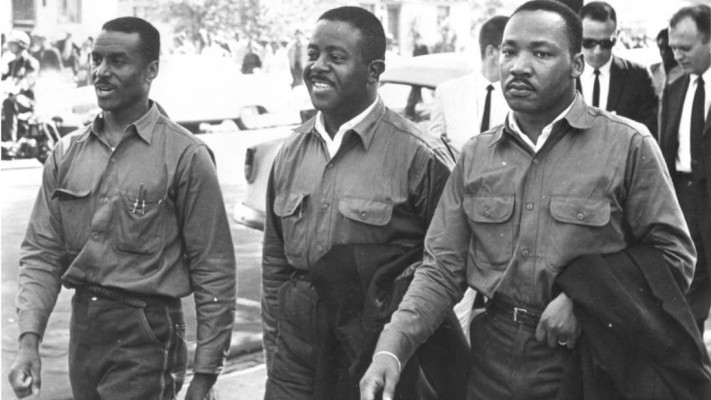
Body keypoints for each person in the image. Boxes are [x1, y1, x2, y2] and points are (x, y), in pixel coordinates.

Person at [360, 1, 696, 399]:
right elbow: (440, 270)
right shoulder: (476, 156)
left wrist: (586, 303)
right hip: (493, 365)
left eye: (540, 53)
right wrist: (392, 347)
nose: (518, 66)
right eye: (509, 51)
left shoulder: (627, 145)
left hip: (591, 364)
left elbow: (673, 258)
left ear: (576, 65)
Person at [7, 17, 236, 400]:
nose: (100, 72)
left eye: (117, 61)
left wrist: (206, 372)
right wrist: (29, 342)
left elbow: (213, 268)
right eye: (96, 59)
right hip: (85, 328)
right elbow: (41, 253)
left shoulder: (185, 155)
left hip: (147, 331)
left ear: (151, 70)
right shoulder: (67, 152)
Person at [261, 6, 454, 399]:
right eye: (312, 54)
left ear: (373, 71)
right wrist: (275, 346)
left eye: (336, 57)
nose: (317, 66)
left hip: (371, 348)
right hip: (296, 353)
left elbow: (448, 265)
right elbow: (275, 261)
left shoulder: (419, 155)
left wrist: (397, 345)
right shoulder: (290, 152)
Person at [660, 4, 711, 332]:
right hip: (684, 199)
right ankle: (693, 369)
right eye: (673, 47)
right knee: (690, 286)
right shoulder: (675, 86)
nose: (677, 55)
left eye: (686, 48)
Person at [576, 1, 658, 134]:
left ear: (617, 35)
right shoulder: (563, 75)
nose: (597, 51)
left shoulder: (638, 77)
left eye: (606, 43)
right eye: (589, 43)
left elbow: (649, 133)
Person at [430, 16, 510, 150]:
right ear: (491, 52)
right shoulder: (447, 92)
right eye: (510, 52)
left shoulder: (524, 96)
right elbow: (434, 147)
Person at [1, 30, 39, 143]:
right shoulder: (10, 64)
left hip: (27, 100)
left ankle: (9, 141)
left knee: (10, 102)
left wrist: (15, 88)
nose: (10, 46)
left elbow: (27, 81)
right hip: (12, 96)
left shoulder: (31, 62)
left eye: (13, 44)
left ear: (21, 45)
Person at [650, 28, 683, 98]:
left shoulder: (686, 73)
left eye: (668, 48)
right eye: (661, 48)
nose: (664, 52)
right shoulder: (653, 72)